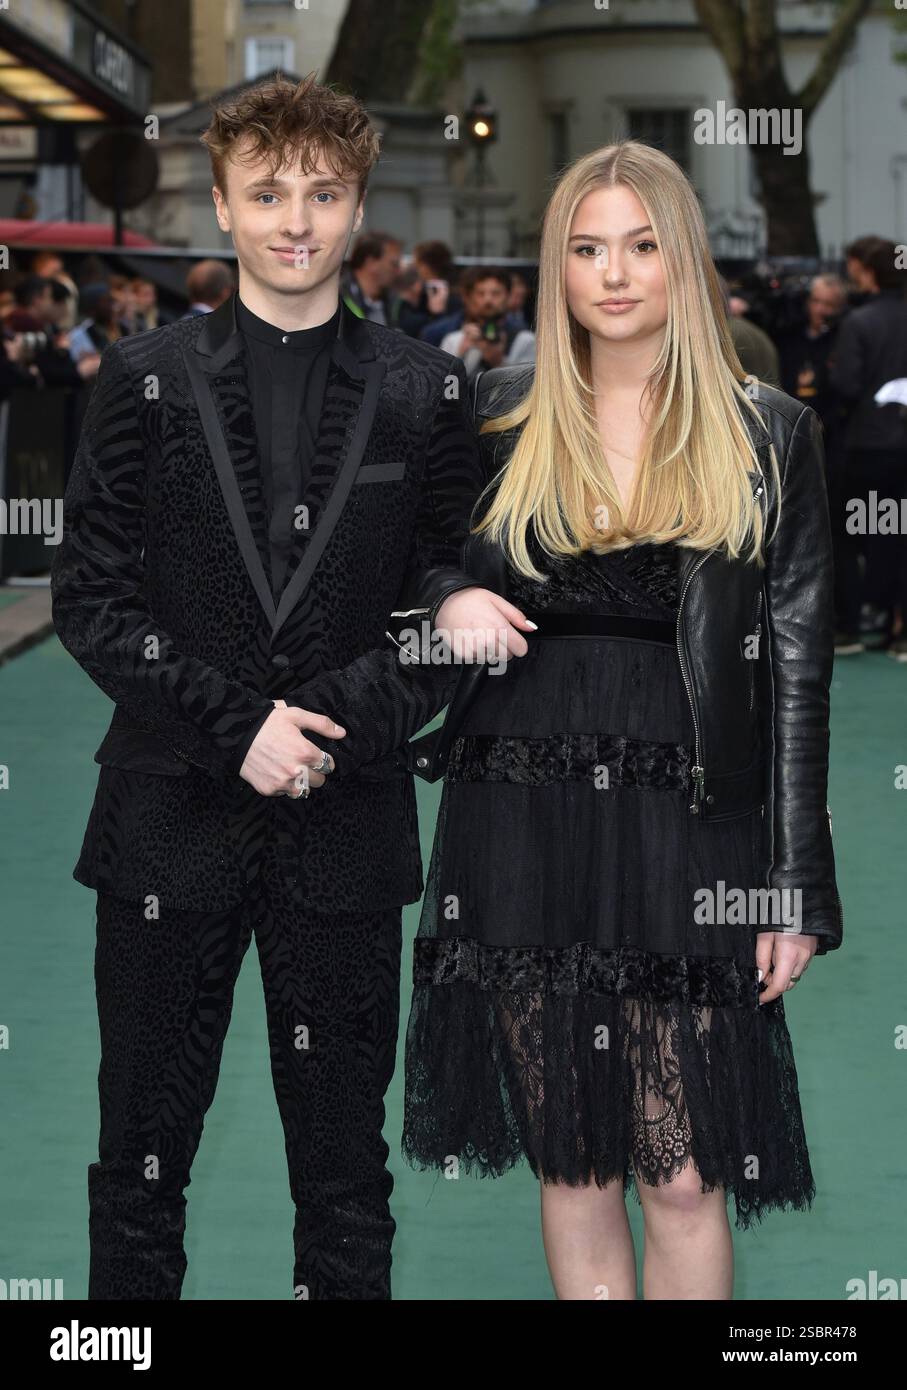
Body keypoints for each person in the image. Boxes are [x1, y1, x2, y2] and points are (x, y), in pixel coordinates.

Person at [50, 71, 482, 1301]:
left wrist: (325, 728)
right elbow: (93, 600)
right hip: (165, 818)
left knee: (345, 1175)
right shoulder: (137, 377)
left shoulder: (424, 388)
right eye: (267, 191)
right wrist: (239, 727)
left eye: (325, 192)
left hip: (344, 825)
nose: (296, 218)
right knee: (136, 1165)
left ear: (357, 211)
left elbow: (446, 604)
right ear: (226, 210)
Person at [392, 140, 843, 1300]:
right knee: (577, 1161)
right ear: (557, 267)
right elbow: (404, 573)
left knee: (682, 1171)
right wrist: (448, 597)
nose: (614, 272)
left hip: (690, 826)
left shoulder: (769, 431)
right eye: (587, 247)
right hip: (520, 813)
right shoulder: (492, 414)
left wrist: (795, 881)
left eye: (642, 245)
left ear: (683, 258)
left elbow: (797, 669)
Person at [828, 238, 907, 659]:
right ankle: (900, 628)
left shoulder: (860, 322)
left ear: (870, 273)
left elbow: (846, 386)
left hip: (870, 446)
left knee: (848, 534)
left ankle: (851, 623)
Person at [438, 266, 536, 379]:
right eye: (480, 293)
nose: (488, 300)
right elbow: (441, 387)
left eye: (496, 293)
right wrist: (460, 353)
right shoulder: (454, 340)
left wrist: (499, 362)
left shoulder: (524, 340)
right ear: (470, 298)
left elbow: (528, 386)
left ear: (508, 296)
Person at [340, 230, 402, 324]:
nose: (398, 271)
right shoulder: (335, 302)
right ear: (371, 263)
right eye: (394, 264)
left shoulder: (396, 302)